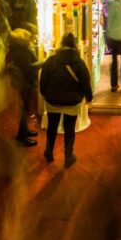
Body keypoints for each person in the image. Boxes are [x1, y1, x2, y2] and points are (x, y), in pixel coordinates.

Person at [39, 33, 93, 167]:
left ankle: (49, 153)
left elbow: (43, 80)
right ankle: (68, 157)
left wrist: (45, 94)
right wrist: (89, 98)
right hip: (72, 101)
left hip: (53, 100)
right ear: (74, 45)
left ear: (61, 44)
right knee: (69, 129)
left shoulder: (51, 60)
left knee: (52, 127)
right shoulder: (79, 63)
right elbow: (86, 82)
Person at [6, 28, 40, 147]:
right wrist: (44, 62)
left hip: (25, 82)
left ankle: (25, 130)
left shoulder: (20, 49)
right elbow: (29, 67)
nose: (30, 37)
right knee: (24, 110)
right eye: (27, 36)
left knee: (25, 108)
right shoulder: (21, 51)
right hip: (25, 83)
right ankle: (22, 136)